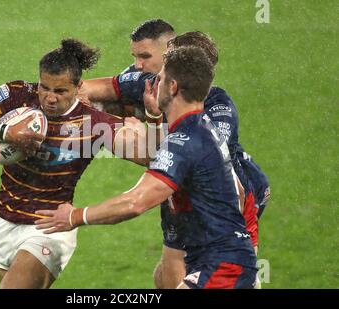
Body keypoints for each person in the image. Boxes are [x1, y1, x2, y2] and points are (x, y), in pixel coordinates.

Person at [35, 46, 258, 289]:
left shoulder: (185, 140)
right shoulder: (201, 129)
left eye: (159, 79)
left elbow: (136, 202)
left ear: (172, 87)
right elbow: (239, 193)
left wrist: (75, 216)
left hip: (222, 266)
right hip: (217, 260)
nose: (152, 83)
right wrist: (153, 118)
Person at [0, 39, 151, 288]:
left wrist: (151, 118)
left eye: (60, 91)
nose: (50, 98)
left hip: (50, 226)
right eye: (45, 87)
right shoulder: (18, 95)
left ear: (78, 87)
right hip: (4, 221)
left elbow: (151, 157)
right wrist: (7, 132)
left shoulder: (93, 123)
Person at [79, 19, 175, 118]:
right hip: (159, 129)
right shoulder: (141, 78)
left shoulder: (189, 84)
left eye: (145, 56)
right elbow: (83, 89)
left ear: (170, 53)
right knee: (113, 105)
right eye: (135, 57)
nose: (138, 66)